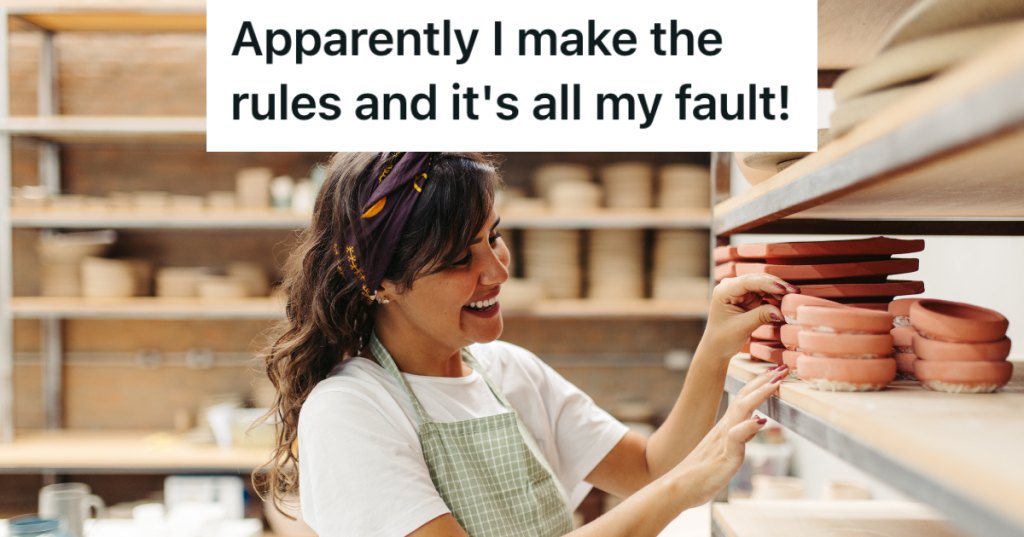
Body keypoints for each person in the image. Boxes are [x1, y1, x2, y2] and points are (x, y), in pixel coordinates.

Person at [258, 152, 797, 536]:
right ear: (385, 283)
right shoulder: (351, 411)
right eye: (458, 259)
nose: (496, 270)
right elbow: (668, 483)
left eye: (492, 237)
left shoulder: (511, 372)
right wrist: (684, 489)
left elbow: (650, 470)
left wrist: (714, 350)